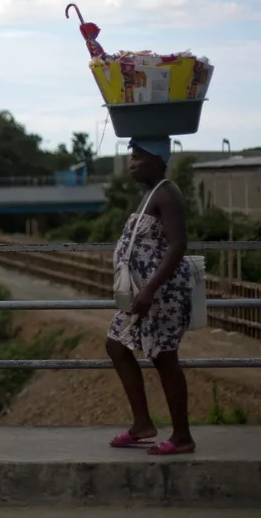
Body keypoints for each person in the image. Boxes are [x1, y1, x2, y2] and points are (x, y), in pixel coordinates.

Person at [106, 136, 195, 456]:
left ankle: (182, 436)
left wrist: (149, 289)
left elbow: (177, 245)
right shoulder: (150, 195)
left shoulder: (167, 194)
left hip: (161, 293)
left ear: (157, 160)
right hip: (144, 294)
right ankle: (142, 423)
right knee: (116, 345)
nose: (131, 163)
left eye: (138, 157)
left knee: (164, 357)